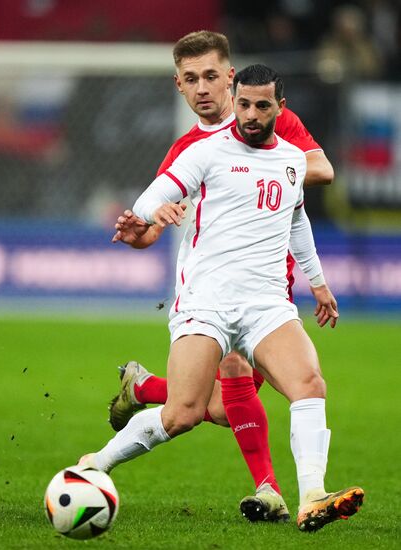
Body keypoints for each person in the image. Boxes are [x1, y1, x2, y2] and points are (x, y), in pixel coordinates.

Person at [80, 63, 364, 532]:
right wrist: (156, 209)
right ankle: (96, 463)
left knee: (310, 385)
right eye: (245, 103)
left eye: (262, 106)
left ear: (280, 108)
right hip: (205, 303)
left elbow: (297, 222)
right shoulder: (207, 152)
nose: (251, 114)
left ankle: (313, 494)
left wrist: (317, 281)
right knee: (185, 413)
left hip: (266, 305)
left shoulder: (293, 160)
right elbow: (153, 196)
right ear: (236, 99)